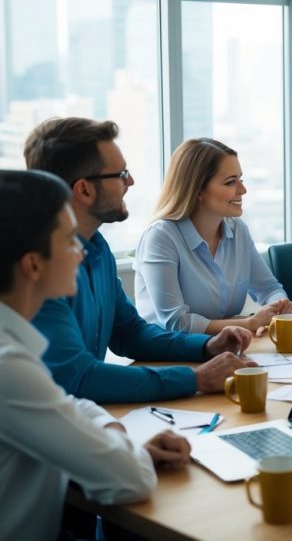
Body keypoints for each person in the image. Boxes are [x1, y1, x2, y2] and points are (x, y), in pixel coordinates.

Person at [0, 169, 192, 541]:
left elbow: (68, 403)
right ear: (33, 265)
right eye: (68, 240)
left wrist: (111, 436)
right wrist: (118, 443)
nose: (80, 251)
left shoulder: (17, 347)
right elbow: (131, 480)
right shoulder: (9, 366)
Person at [24, 117, 256, 405]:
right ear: (84, 190)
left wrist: (206, 345)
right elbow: (78, 377)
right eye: (120, 174)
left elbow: (129, 333)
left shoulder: (97, 248)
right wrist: (196, 379)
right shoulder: (37, 269)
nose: (130, 182)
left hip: (84, 416)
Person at [134, 138, 292, 334]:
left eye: (240, 179)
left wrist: (278, 307)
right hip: (168, 356)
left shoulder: (238, 231)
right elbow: (176, 322)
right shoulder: (161, 237)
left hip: (221, 348)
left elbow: (268, 288)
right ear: (197, 190)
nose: (242, 190)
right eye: (230, 182)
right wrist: (250, 324)